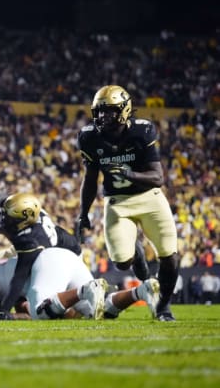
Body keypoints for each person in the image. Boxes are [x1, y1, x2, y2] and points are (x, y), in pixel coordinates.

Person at [75, 85, 179, 321]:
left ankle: (163, 307)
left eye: (109, 111)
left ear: (124, 110)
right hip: (117, 203)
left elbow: (158, 178)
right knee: (122, 262)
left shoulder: (142, 131)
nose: (103, 116)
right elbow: (90, 180)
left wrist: (129, 174)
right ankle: (136, 252)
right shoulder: (89, 137)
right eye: (99, 111)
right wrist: (83, 213)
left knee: (169, 256)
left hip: (149, 198)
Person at [0, 247, 160, 321]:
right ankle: (141, 291)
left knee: (42, 313)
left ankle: (84, 290)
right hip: (64, 258)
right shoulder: (5, 271)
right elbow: (26, 309)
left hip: (47, 262)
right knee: (98, 310)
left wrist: (5, 316)